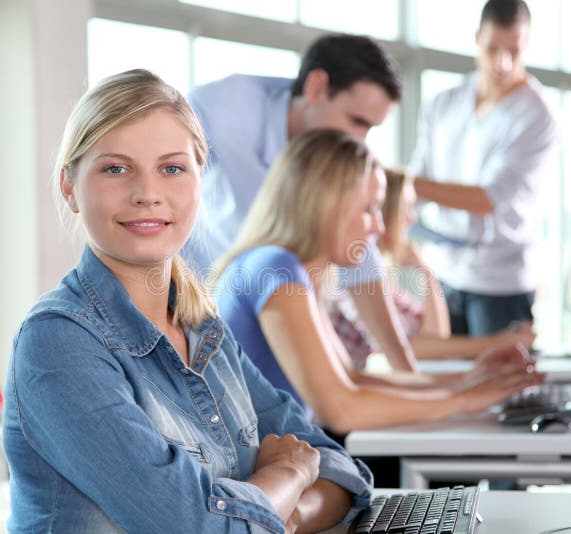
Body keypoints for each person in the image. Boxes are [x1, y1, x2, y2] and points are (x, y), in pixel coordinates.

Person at [2, 69, 373, 534]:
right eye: (116, 168)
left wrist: (275, 517)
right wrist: (290, 475)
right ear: (69, 187)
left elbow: (340, 469)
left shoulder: (204, 330)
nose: (147, 194)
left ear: (202, 179)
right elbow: (195, 526)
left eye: (172, 168)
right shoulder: (58, 343)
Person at [212, 129, 544, 437]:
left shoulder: (289, 270)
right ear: (326, 205)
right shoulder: (276, 269)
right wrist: (465, 400)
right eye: (370, 209)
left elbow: (354, 379)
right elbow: (341, 410)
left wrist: (468, 382)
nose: (380, 228)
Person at [185, 33, 420, 373]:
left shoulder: (330, 163)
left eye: (371, 128)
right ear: (316, 87)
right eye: (356, 121)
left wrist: (406, 371)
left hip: (277, 311)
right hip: (200, 308)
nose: (359, 141)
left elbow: (361, 257)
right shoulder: (220, 112)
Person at [409, 0, 558, 337]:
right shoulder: (444, 103)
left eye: (514, 51)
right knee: (442, 379)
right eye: (493, 49)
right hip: (444, 273)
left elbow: (487, 199)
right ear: (477, 38)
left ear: (527, 46)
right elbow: (419, 175)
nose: (502, 63)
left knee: (500, 385)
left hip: (501, 285)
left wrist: (407, 183)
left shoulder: (537, 114)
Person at [329, 168, 537, 367]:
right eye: (407, 208)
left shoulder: (380, 273)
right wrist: (497, 342)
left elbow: (437, 336)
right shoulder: (353, 265)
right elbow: (407, 347)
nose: (412, 218)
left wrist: (425, 272)